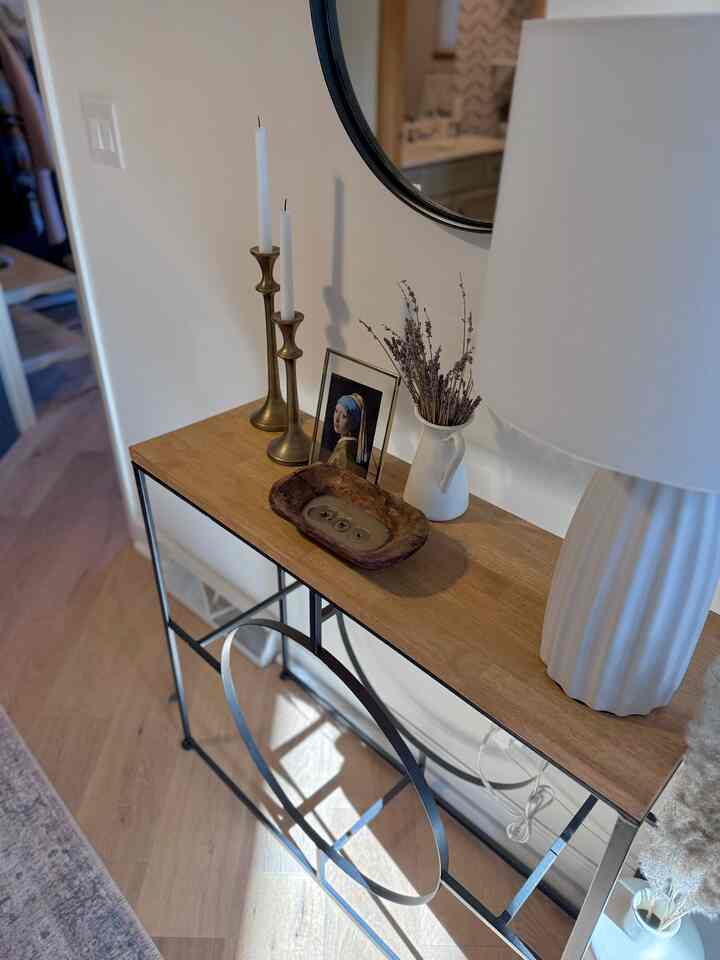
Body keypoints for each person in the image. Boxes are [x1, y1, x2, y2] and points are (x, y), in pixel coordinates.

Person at [327, 393, 369, 477]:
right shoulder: (347, 444)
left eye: (344, 416)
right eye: (336, 411)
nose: (337, 419)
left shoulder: (345, 449)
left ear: (353, 422)